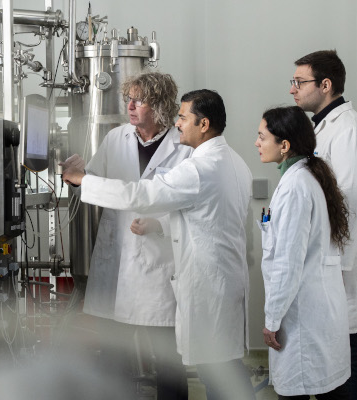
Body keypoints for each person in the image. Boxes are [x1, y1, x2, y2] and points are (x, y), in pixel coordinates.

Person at [62, 89, 255, 400]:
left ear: (203, 124)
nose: (178, 123)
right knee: (220, 368)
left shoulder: (197, 168)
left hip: (206, 284)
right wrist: (160, 224)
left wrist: (84, 180)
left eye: (183, 117)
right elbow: (204, 214)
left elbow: (141, 195)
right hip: (222, 280)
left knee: (218, 372)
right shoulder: (235, 162)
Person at [63, 71, 192, 399]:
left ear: (160, 105)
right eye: (128, 99)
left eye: (139, 100)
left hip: (160, 269)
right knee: (112, 361)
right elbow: (90, 181)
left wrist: (159, 222)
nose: (130, 106)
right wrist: (73, 175)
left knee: (169, 364)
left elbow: (189, 202)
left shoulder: (183, 146)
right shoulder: (116, 138)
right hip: (117, 267)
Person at [290, 50, 357, 400]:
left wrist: (335, 264)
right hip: (327, 258)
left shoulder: (351, 130)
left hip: (344, 261)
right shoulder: (324, 127)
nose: (293, 89)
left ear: (325, 85)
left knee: (346, 354)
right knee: (331, 354)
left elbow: (351, 203)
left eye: (300, 82)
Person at [255, 106, 351, 399]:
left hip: (301, 319)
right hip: (315, 312)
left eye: (261, 137)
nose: (256, 143)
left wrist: (272, 321)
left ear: (284, 146)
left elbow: (287, 263)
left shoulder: (295, 186)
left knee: (298, 390)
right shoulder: (306, 176)